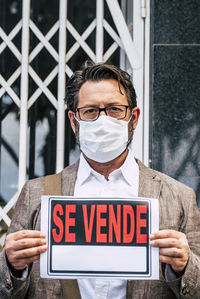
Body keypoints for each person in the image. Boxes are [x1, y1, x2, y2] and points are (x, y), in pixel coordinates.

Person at [0, 61, 200, 299]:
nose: (103, 120)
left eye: (115, 109)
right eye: (90, 111)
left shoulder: (178, 197)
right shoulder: (36, 194)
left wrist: (184, 265)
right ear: (74, 121)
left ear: (133, 118)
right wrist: (11, 265)